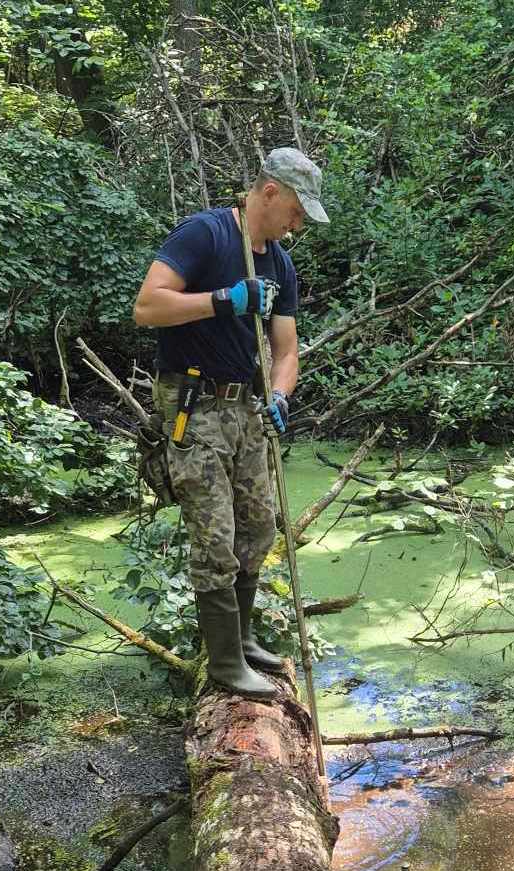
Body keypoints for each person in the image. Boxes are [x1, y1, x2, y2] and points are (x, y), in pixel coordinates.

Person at [133, 147, 329, 699]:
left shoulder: (280, 264)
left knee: (259, 526)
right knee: (215, 534)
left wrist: (281, 394)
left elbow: (285, 349)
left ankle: (242, 640)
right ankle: (223, 663)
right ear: (269, 191)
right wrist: (224, 300)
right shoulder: (206, 234)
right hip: (193, 405)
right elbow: (147, 308)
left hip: (247, 406)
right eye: (295, 211)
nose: (296, 225)